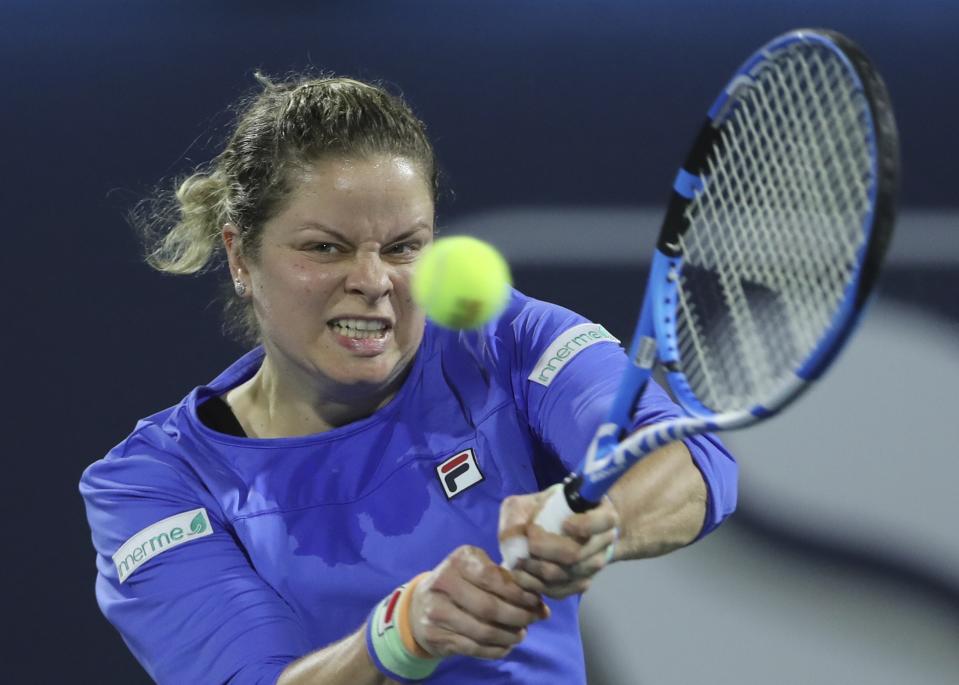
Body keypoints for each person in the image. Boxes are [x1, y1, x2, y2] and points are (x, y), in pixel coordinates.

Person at [79, 73, 737, 685]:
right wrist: (400, 633)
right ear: (239, 257)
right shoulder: (150, 482)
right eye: (323, 247)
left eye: (402, 247)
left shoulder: (503, 341)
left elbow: (692, 457)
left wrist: (604, 518)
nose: (372, 280)